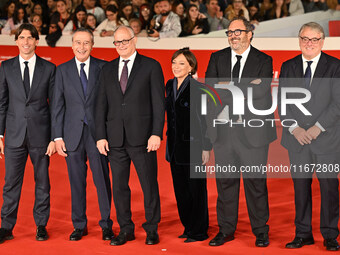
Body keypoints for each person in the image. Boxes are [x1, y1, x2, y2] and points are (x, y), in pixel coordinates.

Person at [205, 17, 276, 247]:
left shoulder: (264, 60)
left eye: (238, 31)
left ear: (249, 34)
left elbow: (262, 91)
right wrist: (245, 88)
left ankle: (260, 231)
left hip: (253, 134)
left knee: (255, 182)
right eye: (229, 32)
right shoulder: (216, 58)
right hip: (223, 133)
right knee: (225, 182)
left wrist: (228, 88)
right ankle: (225, 229)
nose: (233, 35)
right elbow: (212, 92)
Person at [95, 25, 165, 246]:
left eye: (125, 41)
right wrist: (100, 136)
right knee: (119, 187)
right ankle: (126, 228)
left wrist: (156, 133)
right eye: (117, 42)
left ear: (135, 40)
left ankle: (152, 228)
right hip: (115, 139)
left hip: (143, 139)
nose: (122, 45)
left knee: (148, 185)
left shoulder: (151, 66)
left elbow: (158, 104)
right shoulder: (107, 70)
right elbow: (100, 106)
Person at [279, 22, 340, 251]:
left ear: (322, 41)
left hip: (327, 140)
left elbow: (338, 104)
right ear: (299, 40)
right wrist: (295, 129)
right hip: (298, 141)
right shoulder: (288, 67)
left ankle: (330, 234)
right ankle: (303, 233)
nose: (309, 43)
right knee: (301, 188)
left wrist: (317, 127)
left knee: (328, 187)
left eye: (314, 39)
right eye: (305, 38)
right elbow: (283, 102)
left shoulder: (335, 67)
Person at [51, 28, 113, 242]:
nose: (82, 47)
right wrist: (57, 137)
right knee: (76, 182)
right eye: (78, 42)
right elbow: (57, 106)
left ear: (92, 45)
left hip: (97, 135)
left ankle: (106, 224)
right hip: (72, 135)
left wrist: (106, 132)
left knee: (102, 180)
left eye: (86, 43)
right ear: (72, 45)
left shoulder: (103, 67)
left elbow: (108, 104)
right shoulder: (62, 70)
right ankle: (79, 225)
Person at [0, 23, 56, 244]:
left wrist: (54, 137)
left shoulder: (49, 69)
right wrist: (0, 135)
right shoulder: (6, 67)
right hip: (14, 135)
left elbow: (54, 106)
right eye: (21, 38)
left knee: (42, 182)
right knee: (10, 183)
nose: (25, 42)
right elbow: (2, 103)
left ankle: (41, 225)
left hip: (40, 135)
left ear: (36, 41)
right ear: (16, 41)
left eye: (30, 38)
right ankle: (6, 226)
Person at [166, 48, 212, 243]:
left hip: (194, 147)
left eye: (181, 63)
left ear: (191, 67)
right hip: (174, 148)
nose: (176, 67)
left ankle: (199, 230)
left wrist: (206, 147)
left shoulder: (198, 88)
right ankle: (188, 227)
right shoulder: (169, 85)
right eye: (174, 62)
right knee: (181, 190)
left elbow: (205, 120)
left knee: (196, 190)